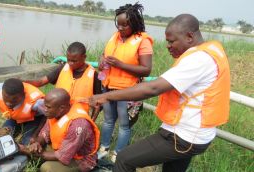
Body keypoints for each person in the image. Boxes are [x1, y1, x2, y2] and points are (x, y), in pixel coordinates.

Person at [88, 14, 230, 172]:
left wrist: (105, 96)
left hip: (183, 136)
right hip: (193, 133)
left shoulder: (199, 59)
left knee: (124, 159)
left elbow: (152, 88)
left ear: (189, 36)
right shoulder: (210, 50)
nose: (168, 46)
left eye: (171, 41)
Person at [97, 2, 153, 162]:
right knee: (108, 121)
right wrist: (101, 60)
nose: (120, 28)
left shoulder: (143, 41)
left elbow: (146, 69)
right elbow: (104, 53)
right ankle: (104, 148)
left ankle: (118, 154)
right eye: (118, 24)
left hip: (127, 91)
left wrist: (120, 65)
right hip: (107, 87)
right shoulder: (115, 36)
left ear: (134, 23)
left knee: (123, 124)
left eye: (124, 25)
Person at [19, 88, 100, 172]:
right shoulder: (55, 112)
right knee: (33, 149)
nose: (44, 109)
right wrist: (37, 143)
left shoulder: (78, 125)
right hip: (62, 147)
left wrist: (28, 150)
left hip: (80, 160)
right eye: (45, 106)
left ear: (61, 108)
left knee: (47, 168)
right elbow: (44, 134)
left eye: (48, 107)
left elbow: (62, 155)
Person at [24, 42, 102, 120]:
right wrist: (22, 82)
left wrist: (92, 121)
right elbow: (41, 82)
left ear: (84, 57)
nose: (70, 63)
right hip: (58, 113)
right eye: (68, 60)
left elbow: (98, 103)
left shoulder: (94, 75)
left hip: (79, 118)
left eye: (74, 61)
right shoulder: (62, 68)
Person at [0, 78, 46, 145]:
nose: (8, 104)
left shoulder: (37, 101)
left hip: (35, 118)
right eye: (5, 99)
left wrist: (36, 134)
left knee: (28, 142)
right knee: (3, 139)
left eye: (13, 101)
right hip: (15, 118)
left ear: (23, 95)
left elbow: (48, 117)